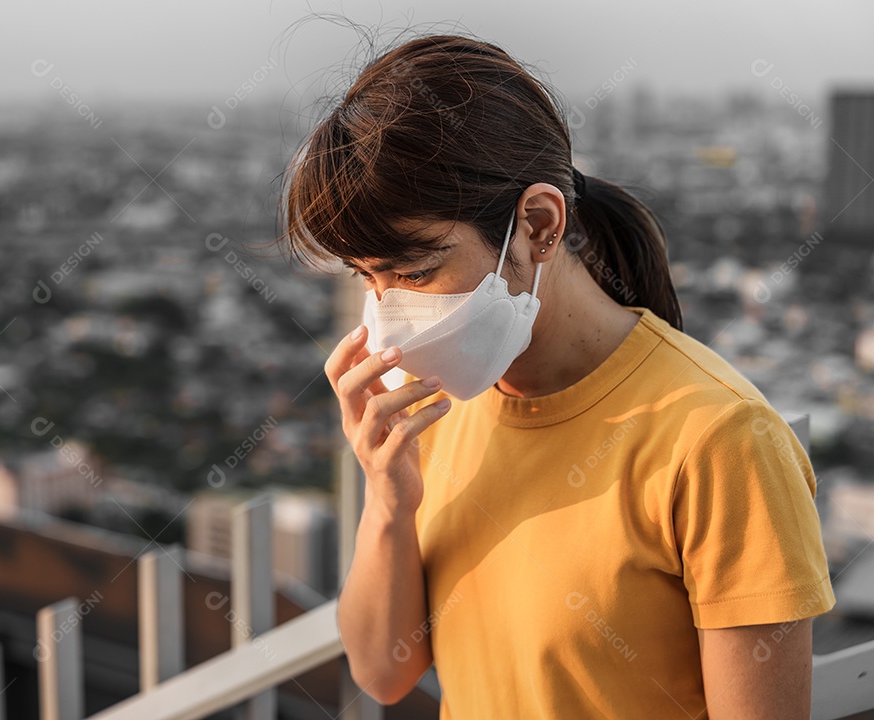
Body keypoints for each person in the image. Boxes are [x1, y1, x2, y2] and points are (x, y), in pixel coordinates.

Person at [277, 33, 835, 719]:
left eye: (417, 272)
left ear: (539, 225)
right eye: (369, 277)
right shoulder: (436, 406)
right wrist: (389, 503)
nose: (390, 314)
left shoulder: (720, 442)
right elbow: (384, 674)